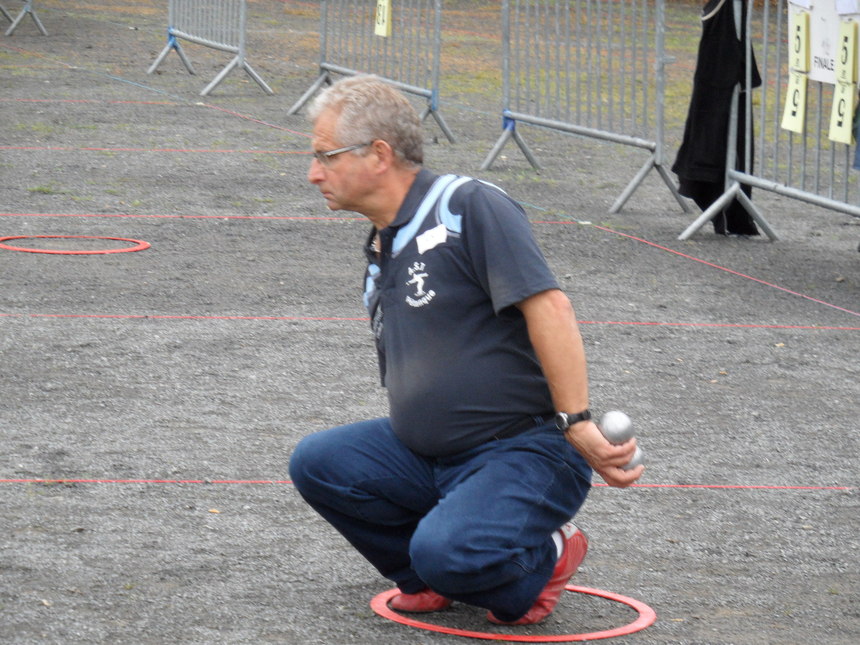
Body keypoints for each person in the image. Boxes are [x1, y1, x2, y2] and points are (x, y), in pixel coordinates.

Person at [289, 74, 644, 626]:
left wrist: (576, 422)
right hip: (429, 456)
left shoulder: (466, 205)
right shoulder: (382, 244)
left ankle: (547, 554)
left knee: (449, 553)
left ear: (379, 154)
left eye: (325, 157)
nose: (314, 174)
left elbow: (550, 309)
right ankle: (424, 580)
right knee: (319, 463)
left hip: (524, 451)